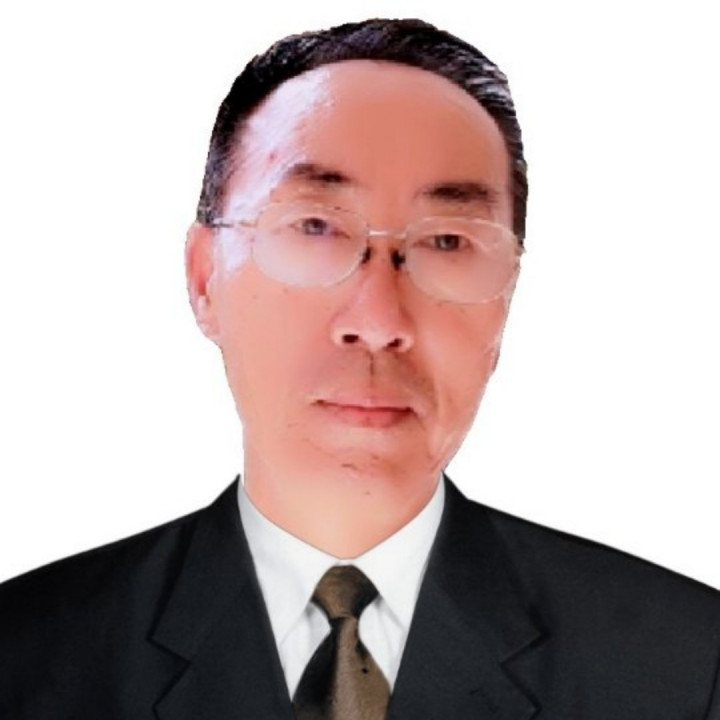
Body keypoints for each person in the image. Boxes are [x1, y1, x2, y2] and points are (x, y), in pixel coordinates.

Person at [1, 17, 719, 720]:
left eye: (447, 241)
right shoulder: (26, 658)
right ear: (203, 279)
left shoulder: (686, 666)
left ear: (507, 295)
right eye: (315, 227)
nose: (378, 321)